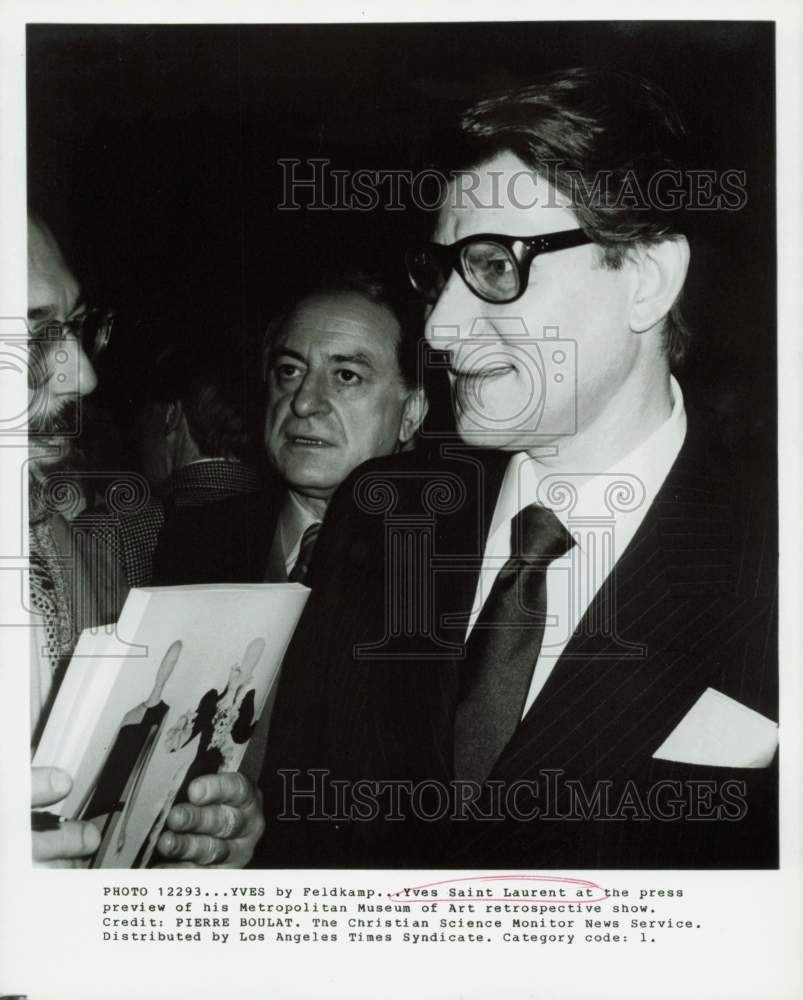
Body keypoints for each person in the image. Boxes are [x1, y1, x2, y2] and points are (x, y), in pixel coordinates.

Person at [254, 69, 777, 868]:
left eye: (497, 266)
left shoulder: (773, 559)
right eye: (440, 275)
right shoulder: (379, 515)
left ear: (645, 280)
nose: (440, 328)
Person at [27, 213, 262, 868]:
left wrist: (186, 825)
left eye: (73, 329)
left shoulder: (60, 544)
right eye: (35, 332)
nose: (83, 376)